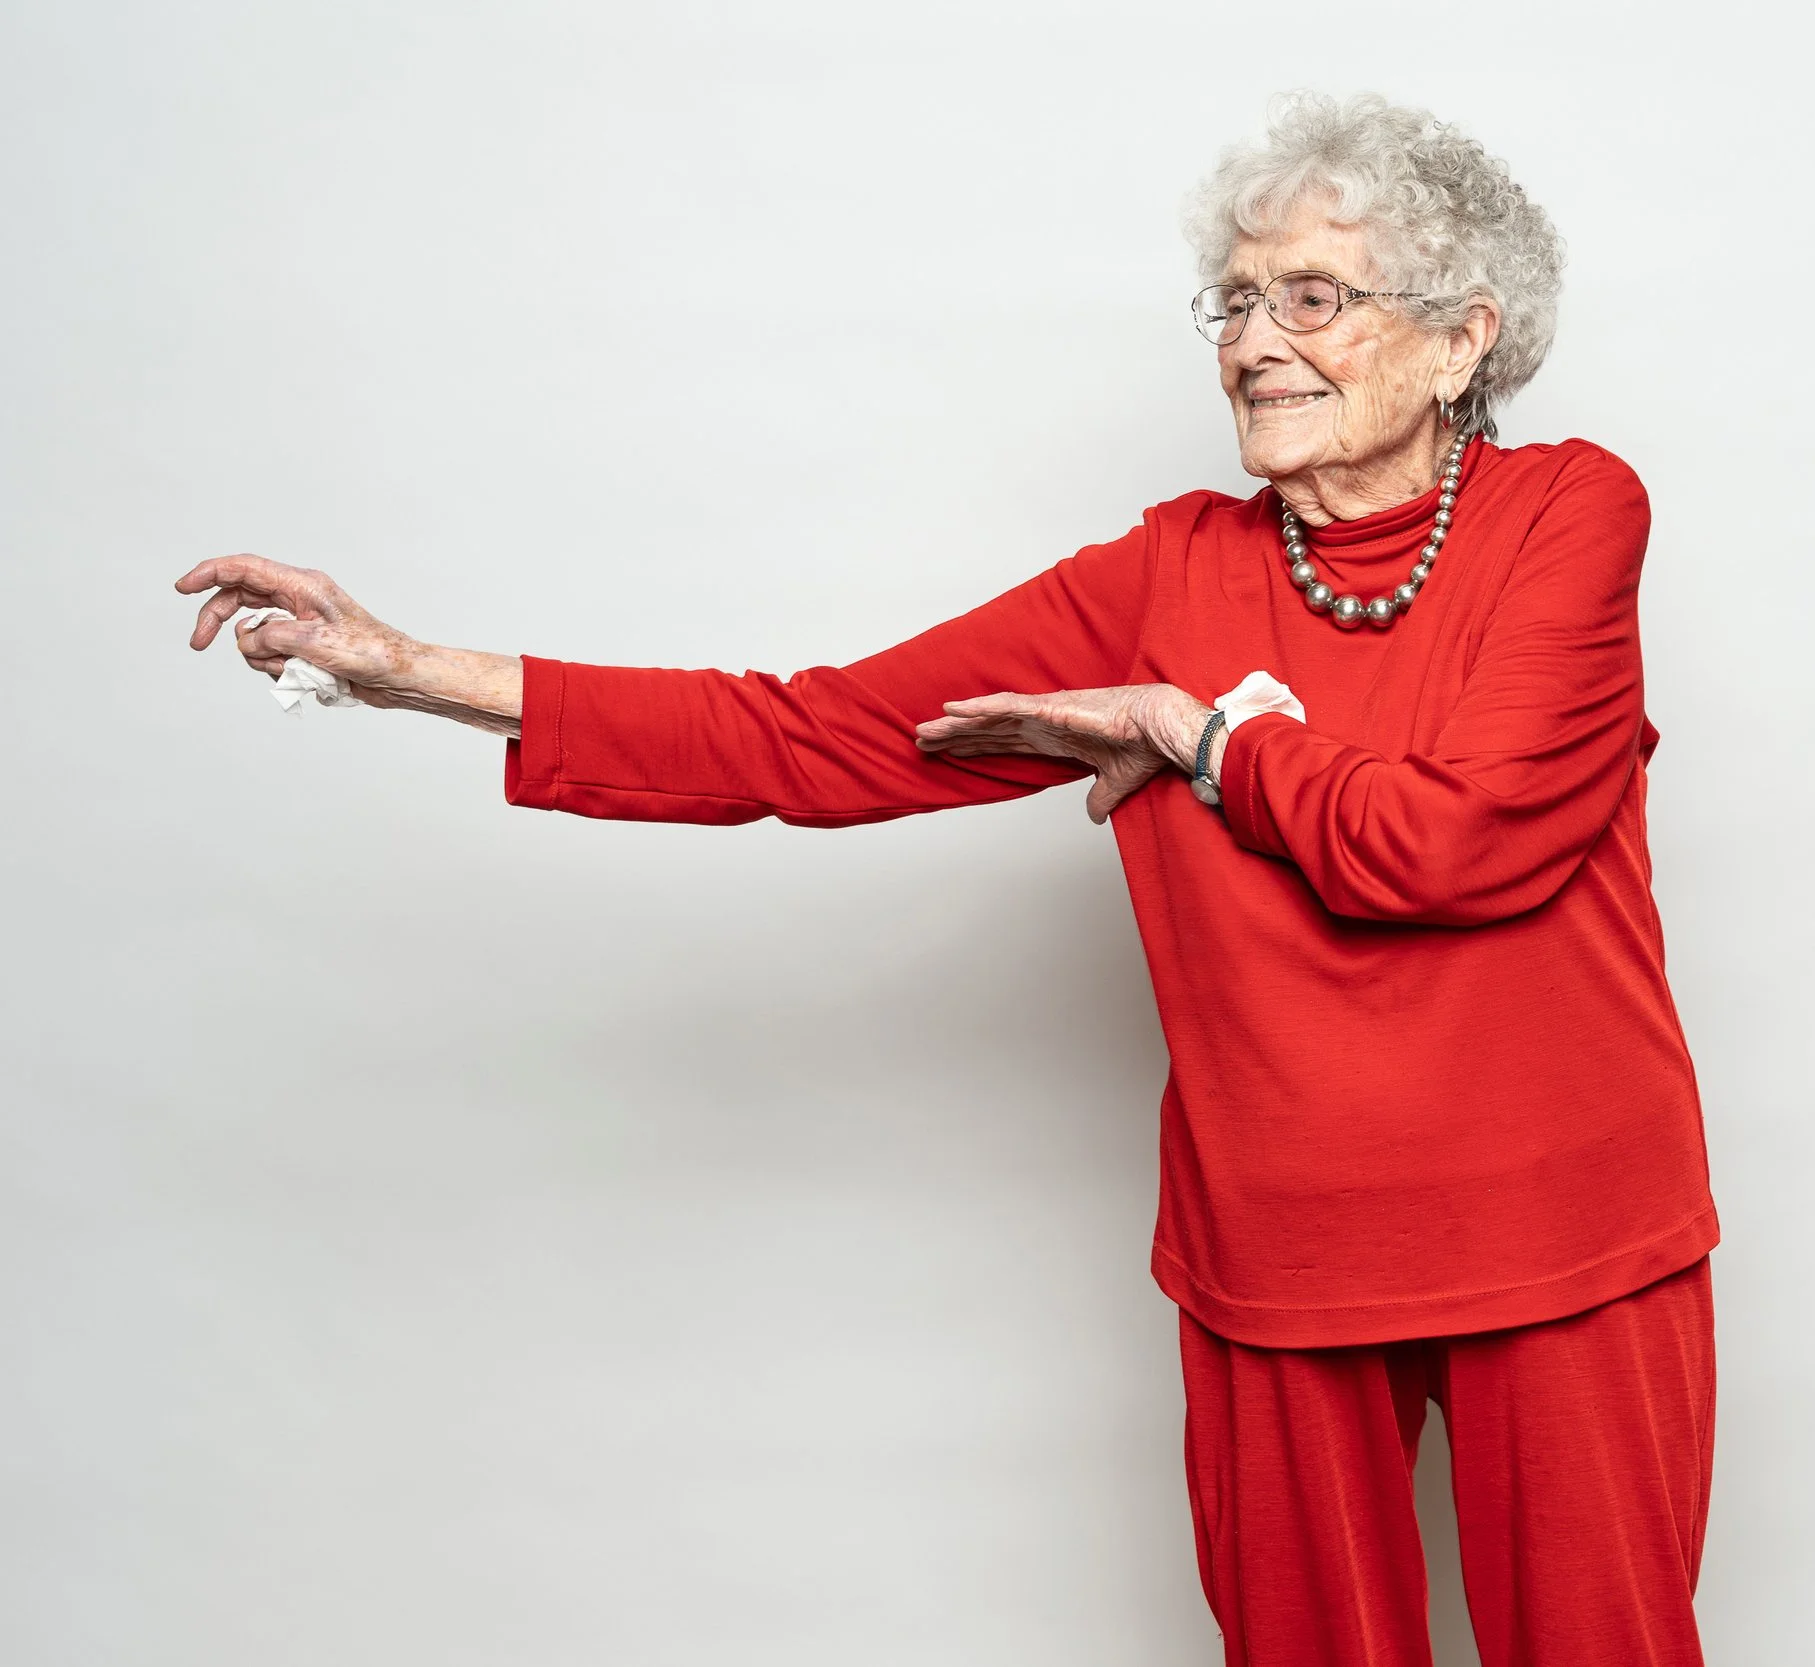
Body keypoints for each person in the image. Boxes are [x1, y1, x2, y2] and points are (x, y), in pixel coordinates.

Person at [175, 92, 1721, 1667]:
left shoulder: (1570, 516)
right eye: (1237, 300)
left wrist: (1194, 738)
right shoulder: (1165, 575)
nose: (1257, 339)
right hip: (1283, 1247)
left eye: (1312, 297)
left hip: (1569, 1230)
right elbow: (814, 732)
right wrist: (416, 670)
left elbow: (1452, 841)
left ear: (1463, 340)